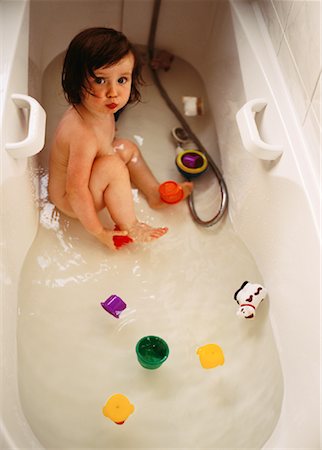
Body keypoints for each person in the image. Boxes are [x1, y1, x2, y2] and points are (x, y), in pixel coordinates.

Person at [48, 27, 193, 251]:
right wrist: (99, 232)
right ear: (77, 81)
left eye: (122, 79)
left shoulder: (99, 110)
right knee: (113, 166)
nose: (113, 92)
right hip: (71, 201)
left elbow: (104, 147)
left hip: (87, 179)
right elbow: (76, 190)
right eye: (99, 80)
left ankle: (154, 193)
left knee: (126, 147)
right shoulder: (82, 134)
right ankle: (131, 225)